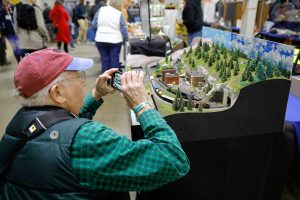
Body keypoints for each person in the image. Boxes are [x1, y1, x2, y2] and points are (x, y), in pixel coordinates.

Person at [0, 48, 190, 199]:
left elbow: (60, 129)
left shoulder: (21, 125)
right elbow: (173, 160)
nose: (83, 83)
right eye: (78, 77)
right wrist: (142, 105)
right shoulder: (89, 140)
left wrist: (96, 94)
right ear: (57, 93)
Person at [92, 0, 128, 73]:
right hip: (115, 40)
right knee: (114, 60)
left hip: (100, 39)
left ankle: (105, 81)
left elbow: (94, 24)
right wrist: (126, 38)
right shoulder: (118, 13)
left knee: (105, 60)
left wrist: (98, 32)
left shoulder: (101, 10)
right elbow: (123, 28)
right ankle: (114, 81)